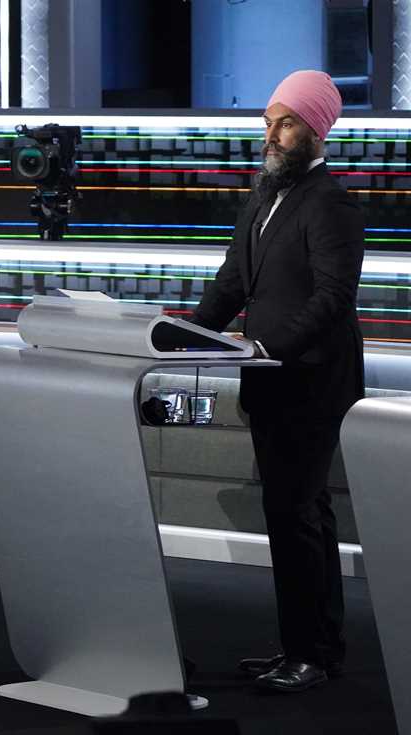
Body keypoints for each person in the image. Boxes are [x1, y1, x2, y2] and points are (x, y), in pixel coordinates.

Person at [190, 70, 364, 693]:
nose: (272, 134)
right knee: (293, 513)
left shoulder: (332, 204)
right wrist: (178, 335)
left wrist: (269, 345)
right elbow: (231, 283)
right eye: (268, 121)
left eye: (285, 122)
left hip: (312, 382)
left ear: (314, 130)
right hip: (268, 378)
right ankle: (305, 647)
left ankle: (313, 653)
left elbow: (333, 300)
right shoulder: (262, 199)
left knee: (297, 514)